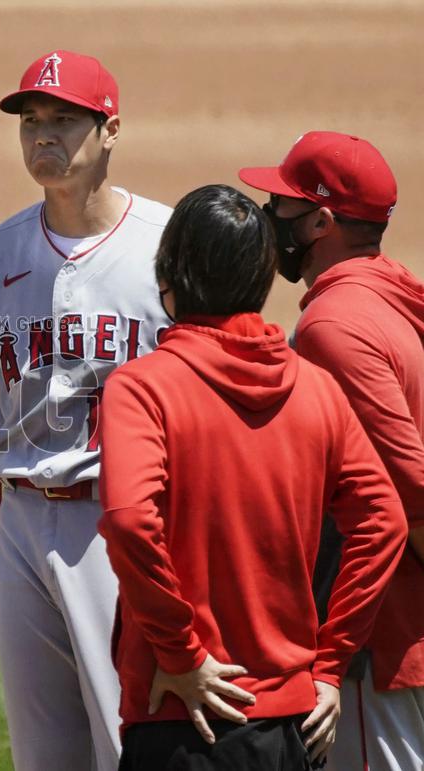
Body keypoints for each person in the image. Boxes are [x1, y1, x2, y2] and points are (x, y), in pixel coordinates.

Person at [97, 183, 408, 770]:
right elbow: (384, 523)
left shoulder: (141, 388)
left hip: (184, 717)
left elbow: (130, 520)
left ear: (171, 270)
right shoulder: (316, 388)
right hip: (295, 725)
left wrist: (182, 653)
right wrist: (330, 665)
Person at [0, 50, 173, 770]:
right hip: (19, 523)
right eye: (31, 121)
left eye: (64, 120)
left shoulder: (167, 248)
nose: (43, 136)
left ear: (110, 131)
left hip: (123, 523)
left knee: (128, 736)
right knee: (43, 754)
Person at [240, 132, 424, 771]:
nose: (270, 217)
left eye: (281, 203)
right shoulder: (390, 294)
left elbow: (410, 489)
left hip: (383, 635)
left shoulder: (332, 325)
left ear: (320, 220)